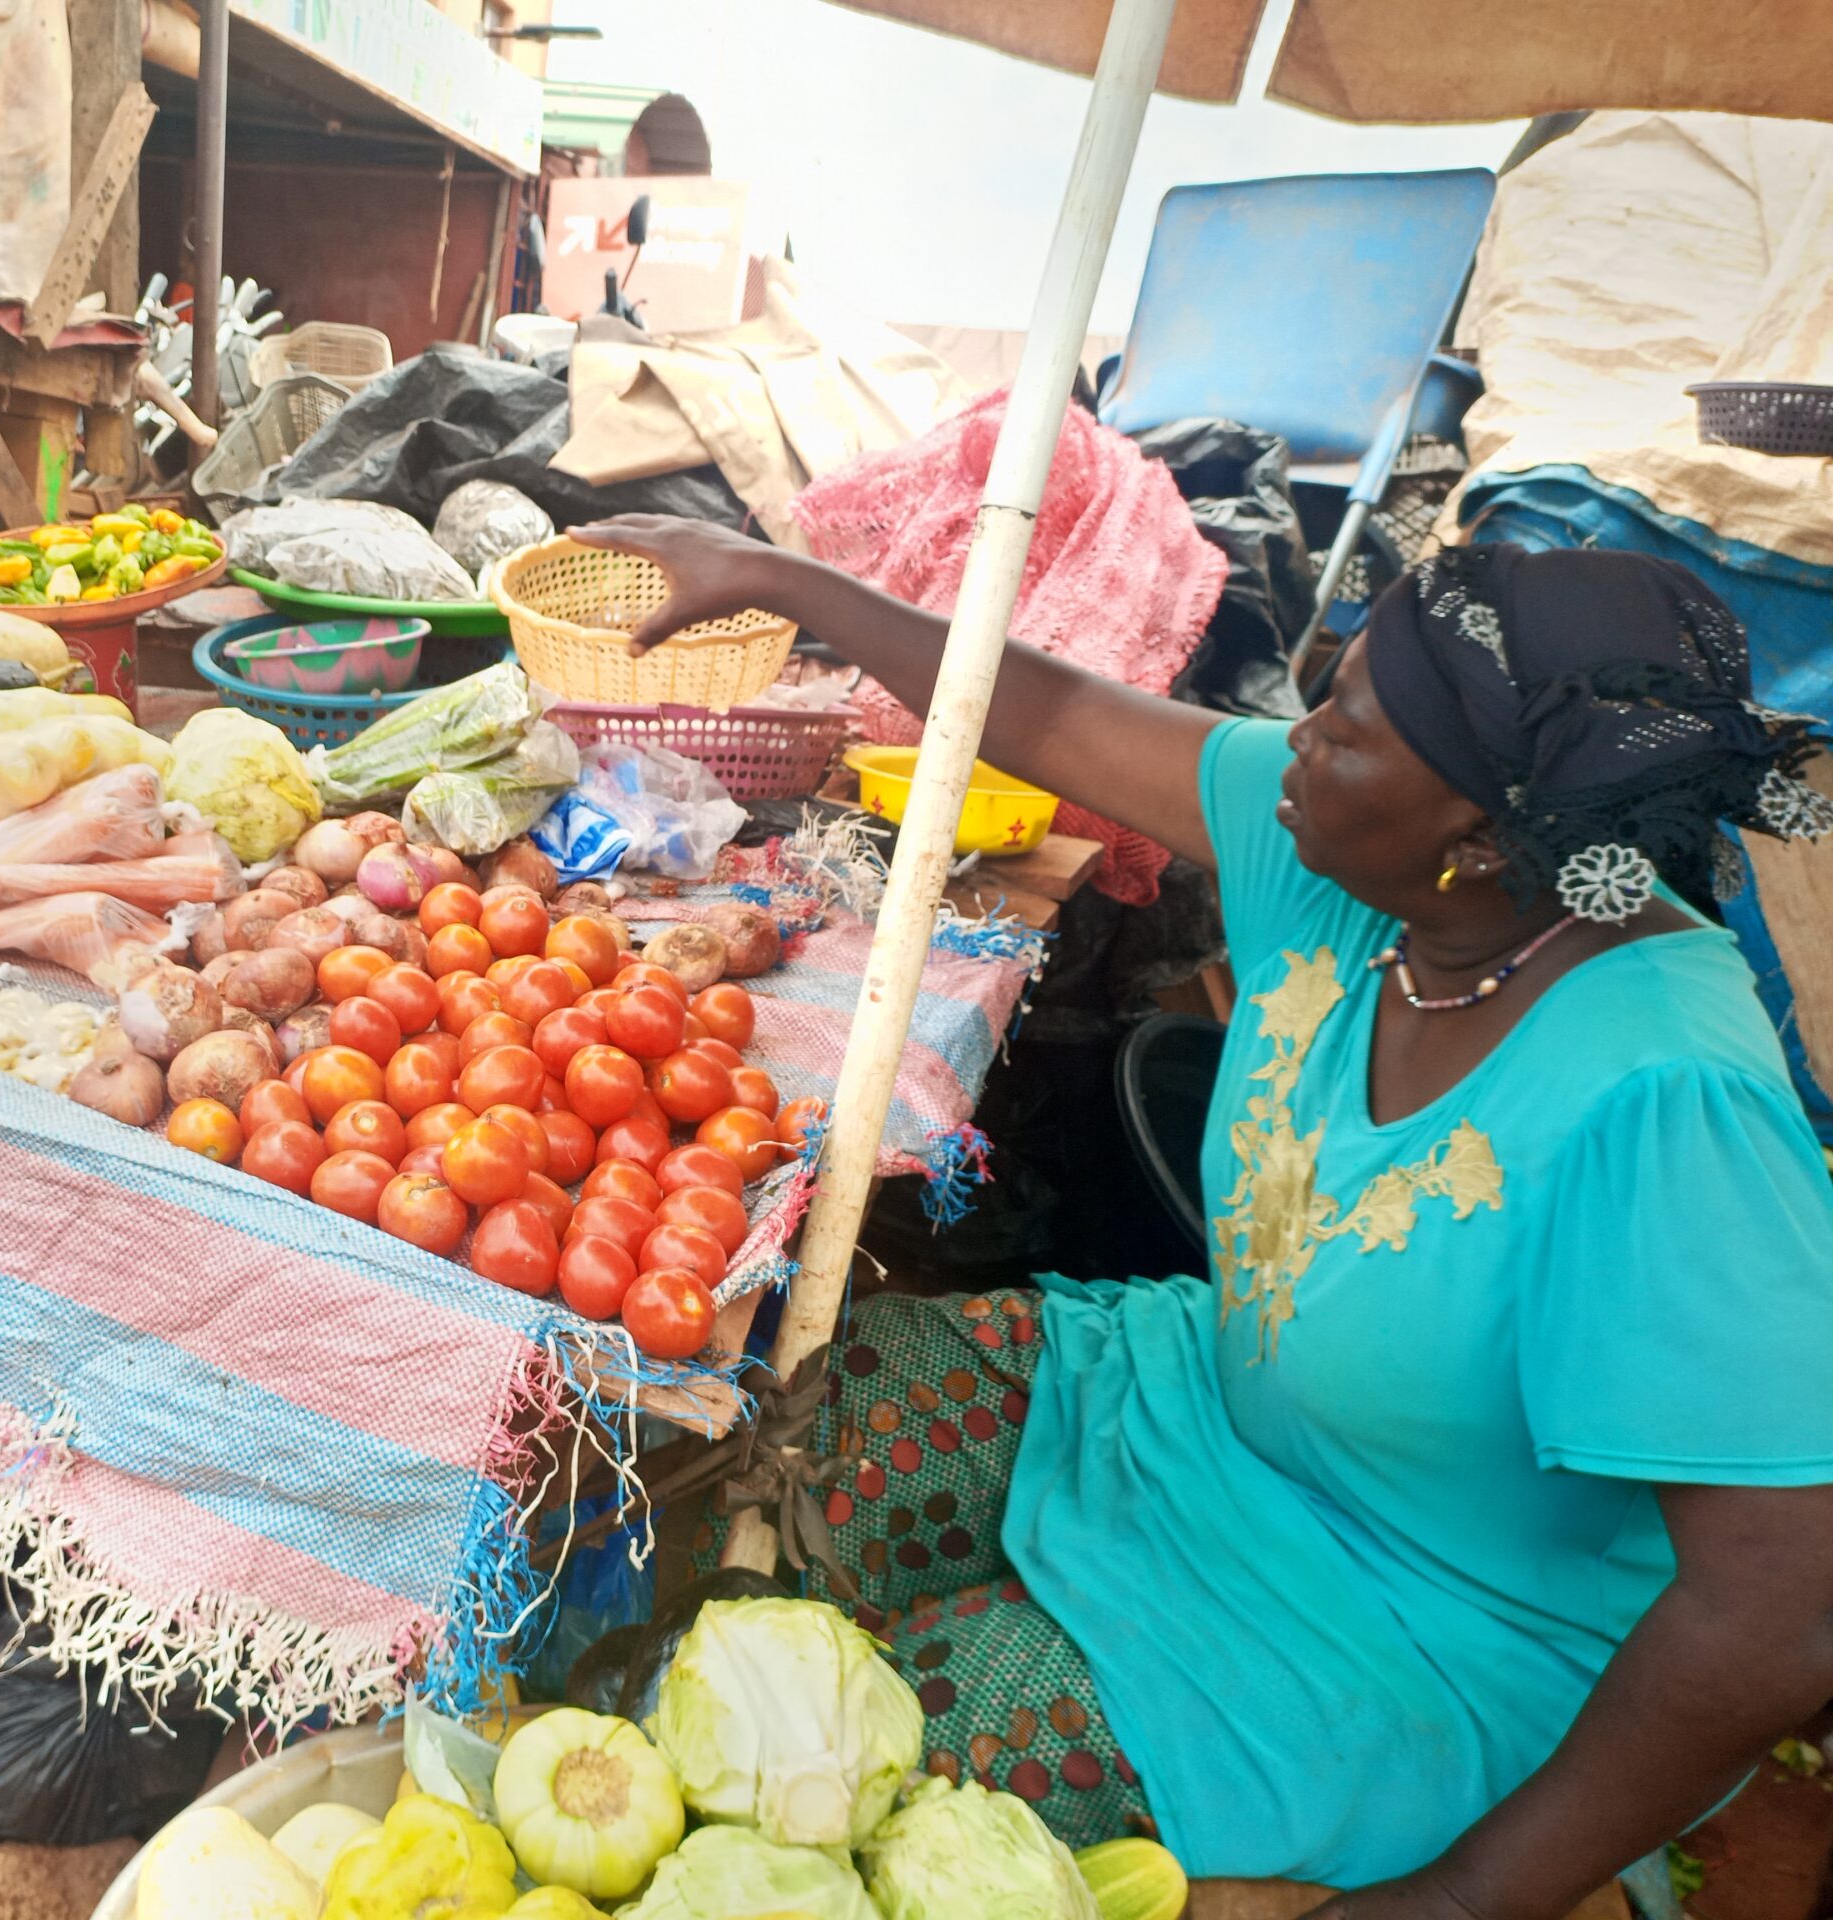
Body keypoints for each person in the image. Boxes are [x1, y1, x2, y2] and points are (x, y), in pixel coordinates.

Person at [575, 517, 1833, 1919]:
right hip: (1195, 1413)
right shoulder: (1361, 857)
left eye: (1345, 728)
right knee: (780, 1434)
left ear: (1477, 834)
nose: (1295, 739)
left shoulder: (1665, 1099)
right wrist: (782, 581)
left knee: (904, 1751)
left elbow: (1787, 1606)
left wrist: (1470, 1898)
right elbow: (1053, 712)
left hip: (1423, 1627)